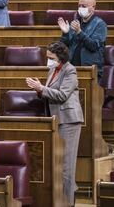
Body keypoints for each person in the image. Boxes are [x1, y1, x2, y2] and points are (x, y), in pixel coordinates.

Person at [26, 41, 84, 206]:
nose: (48, 60)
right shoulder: (52, 69)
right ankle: (62, 200)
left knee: (67, 165)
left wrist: (41, 88)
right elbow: (49, 93)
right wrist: (39, 90)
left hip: (69, 121)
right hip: (55, 120)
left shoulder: (70, 70)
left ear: (60, 57)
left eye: (51, 57)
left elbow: (62, 95)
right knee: (58, 163)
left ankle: (68, 202)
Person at [58, 0, 107, 80]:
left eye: (83, 6)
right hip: (72, 69)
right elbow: (64, 47)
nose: (80, 8)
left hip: (90, 71)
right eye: (79, 6)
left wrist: (79, 32)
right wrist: (65, 33)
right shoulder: (76, 23)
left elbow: (94, 46)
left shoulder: (100, 24)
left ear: (93, 7)